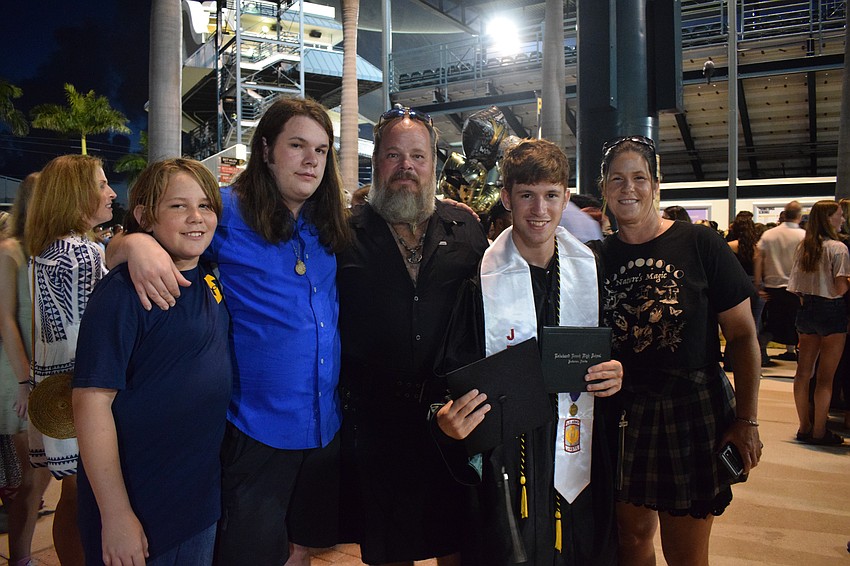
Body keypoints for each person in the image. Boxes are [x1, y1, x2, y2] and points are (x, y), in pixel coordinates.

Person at [106, 97, 351, 566]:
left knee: (301, 550)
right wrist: (133, 243)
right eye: (296, 145)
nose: (310, 160)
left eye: (321, 150)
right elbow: (135, 239)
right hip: (255, 428)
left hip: (323, 427)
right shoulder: (227, 212)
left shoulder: (326, 222)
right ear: (265, 150)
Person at [436, 138, 623, 565]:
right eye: (527, 196)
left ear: (566, 198)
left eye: (551, 196)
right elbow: (453, 370)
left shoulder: (592, 270)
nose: (539, 210)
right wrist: (444, 414)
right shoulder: (477, 281)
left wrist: (617, 373)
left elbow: (614, 353)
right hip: (507, 459)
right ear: (506, 198)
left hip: (577, 447)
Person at [597, 135, 762, 566]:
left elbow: (743, 337)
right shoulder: (596, 257)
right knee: (629, 539)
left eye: (639, 178)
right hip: (622, 412)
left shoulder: (700, 244)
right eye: (617, 178)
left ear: (656, 185)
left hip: (690, 409)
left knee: (686, 551)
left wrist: (746, 420)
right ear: (604, 187)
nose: (627, 188)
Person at [336, 105, 489, 565]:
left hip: (453, 418)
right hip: (376, 425)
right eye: (393, 155)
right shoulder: (344, 232)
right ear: (376, 161)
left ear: (434, 163)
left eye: (418, 156)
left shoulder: (467, 229)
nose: (407, 167)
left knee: (457, 543)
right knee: (387, 550)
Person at [73, 159, 231, 565]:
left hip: (196, 503)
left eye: (206, 205)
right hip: (140, 507)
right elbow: (91, 402)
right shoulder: (123, 293)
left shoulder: (212, 275)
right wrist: (116, 513)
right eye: (178, 206)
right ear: (145, 215)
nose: (196, 217)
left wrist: (126, 243)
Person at [26, 154, 117, 566]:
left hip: (54, 388)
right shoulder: (80, 253)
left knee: (72, 491)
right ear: (75, 194)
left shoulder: (46, 249)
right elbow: (95, 327)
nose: (111, 192)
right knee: (86, 496)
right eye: (101, 185)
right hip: (83, 388)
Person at [0, 173, 52, 566]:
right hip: (16, 379)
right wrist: (24, 382)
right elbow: (5, 320)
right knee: (25, 481)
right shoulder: (11, 252)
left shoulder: (51, 251)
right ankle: (19, 557)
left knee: (41, 476)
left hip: (46, 379)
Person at [787, 200, 850, 445]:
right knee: (826, 377)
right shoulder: (838, 248)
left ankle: (804, 425)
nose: (842, 219)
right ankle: (820, 431)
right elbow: (841, 287)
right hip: (832, 310)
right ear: (828, 219)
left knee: (803, 373)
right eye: (839, 215)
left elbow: (794, 287)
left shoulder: (804, 247)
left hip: (807, 310)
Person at [755, 201, 805, 364]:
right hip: (796, 287)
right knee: (797, 323)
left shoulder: (770, 234)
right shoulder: (803, 236)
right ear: (799, 216)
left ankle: (762, 350)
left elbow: (758, 258)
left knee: (773, 323)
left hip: (773, 286)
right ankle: (798, 354)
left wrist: (758, 284)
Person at [726, 211, 765, 369]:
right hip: (753, 284)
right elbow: (758, 271)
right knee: (753, 326)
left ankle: (730, 361)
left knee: (733, 327)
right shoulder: (757, 246)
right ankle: (750, 363)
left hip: (734, 286)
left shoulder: (729, 246)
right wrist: (758, 286)